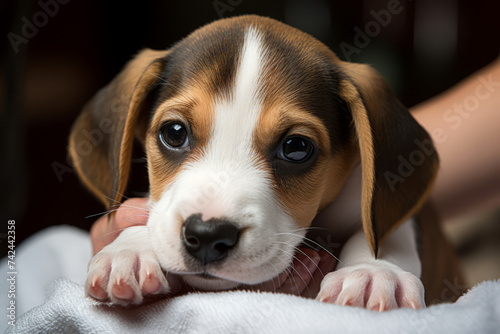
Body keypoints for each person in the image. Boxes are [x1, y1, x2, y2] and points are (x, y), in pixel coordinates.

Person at [89, 57, 500, 298]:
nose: (211, 220)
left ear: (361, 147)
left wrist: (374, 262)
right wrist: (138, 236)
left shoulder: (375, 174)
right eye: (175, 133)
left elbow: (394, 227)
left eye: (294, 148)